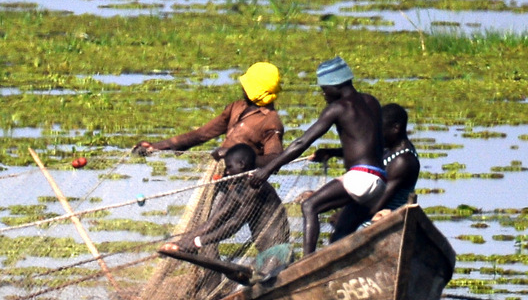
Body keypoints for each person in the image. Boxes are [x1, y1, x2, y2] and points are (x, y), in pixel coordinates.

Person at [249, 57, 383, 256]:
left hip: (360, 179)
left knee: (310, 205)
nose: (323, 94)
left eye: (324, 89)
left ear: (335, 85)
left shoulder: (338, 108)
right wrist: (332, 152)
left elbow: (302, 142)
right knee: (341, 232)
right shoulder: (371, 101)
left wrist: (268, 169)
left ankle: (307, 263)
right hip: (380, 179)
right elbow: (367, 143)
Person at [133, 62, 284, 164]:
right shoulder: (237, 107)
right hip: (221, 178)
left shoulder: (270, 121)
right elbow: (201, 134)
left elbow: (274, 159)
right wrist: (155, 147)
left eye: (247, 84)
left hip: (246, 186)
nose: (242, 87)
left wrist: (234, 156)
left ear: (255, 89)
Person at [310, 103, 419, 242]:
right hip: (364, 213)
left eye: (380, 130)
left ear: (395, 128)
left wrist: (343, 214)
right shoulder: (387, 150)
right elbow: (364, 154)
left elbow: (377, 203)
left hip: (382, 222)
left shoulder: (403, 161)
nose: (376, 135)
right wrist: (330, 152)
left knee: (340, 231)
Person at [161, 143, 289, 257]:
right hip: (264, 252)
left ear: (241, 165)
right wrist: (181, 243)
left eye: (229, 167)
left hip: (277, 251)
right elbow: (216, 219)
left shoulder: (255, 187)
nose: (227, 172)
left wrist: (197, 242)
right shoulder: (239, 188)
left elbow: (235, 224)